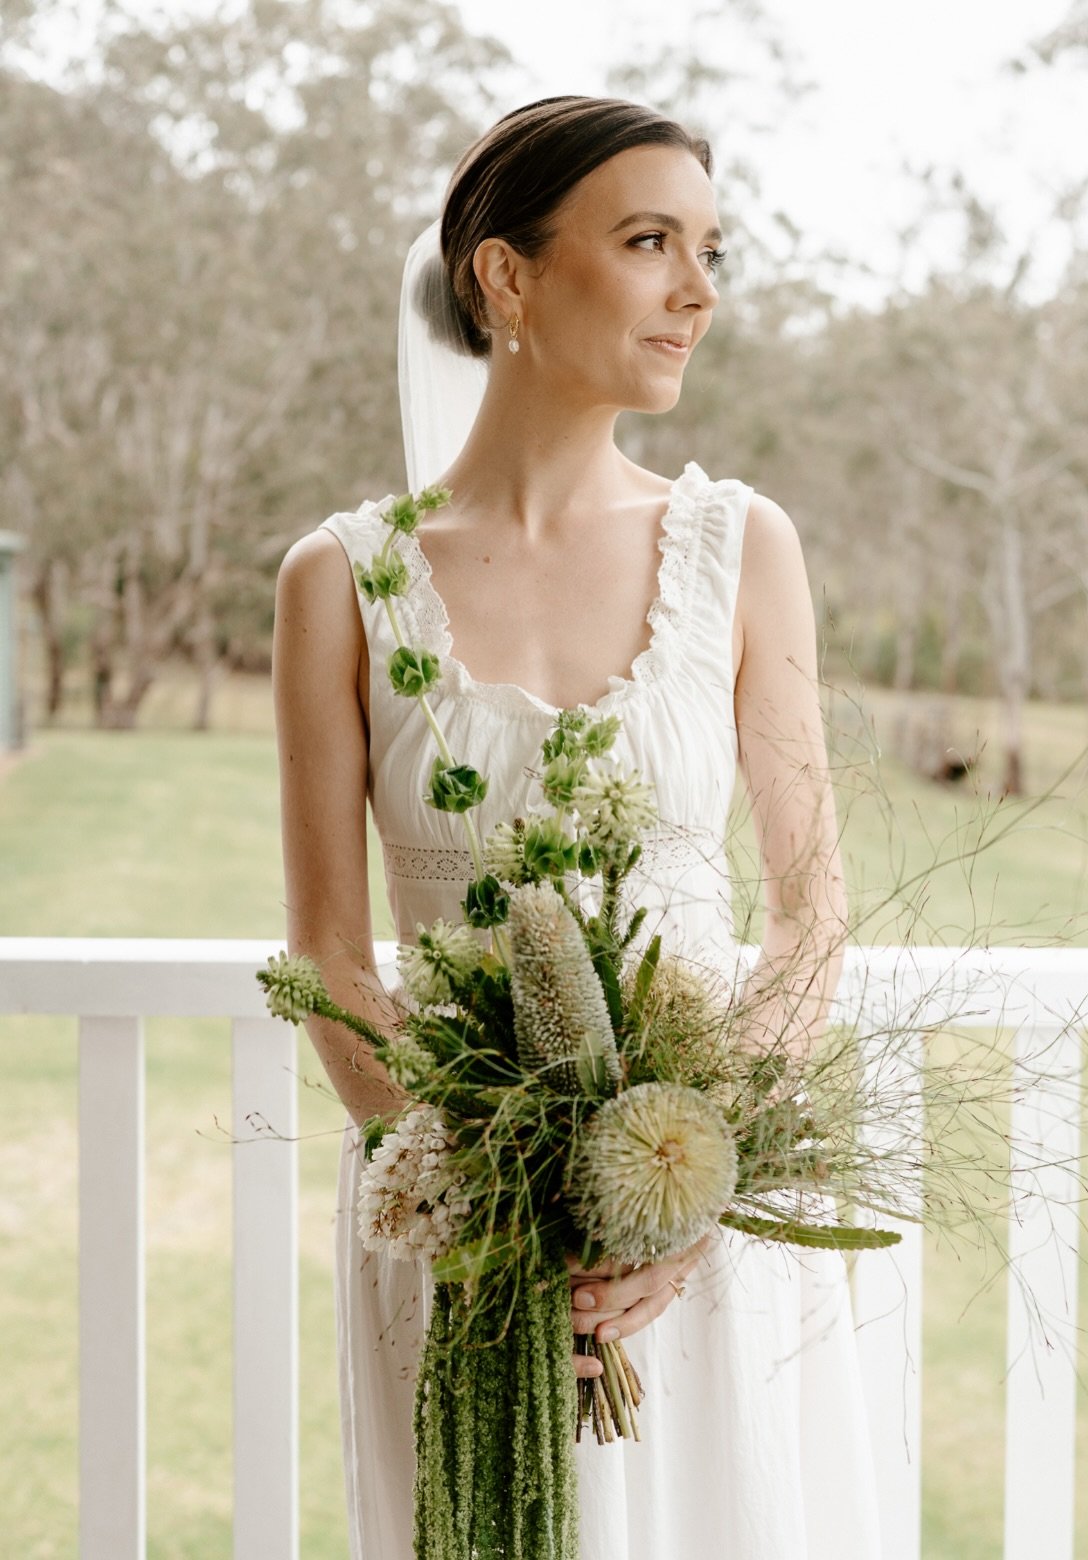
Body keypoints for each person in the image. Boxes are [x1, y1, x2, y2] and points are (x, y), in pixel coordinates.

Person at [274, 95, 882, 1560]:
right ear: (507, 277)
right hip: (461, 1241)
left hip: (701, 1242)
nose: (697, 292)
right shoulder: (338, 581)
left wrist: (689, 1183)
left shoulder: (743, 547)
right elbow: (330, 950)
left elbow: (808, 911)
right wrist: (480, 1203)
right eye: (648, 242)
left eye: (707, 250)